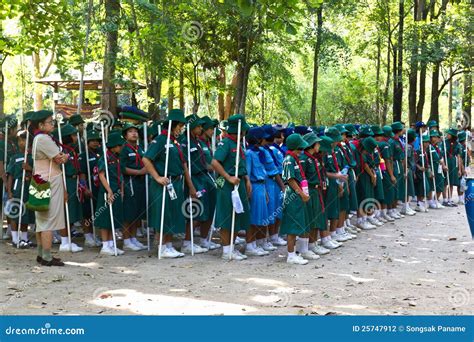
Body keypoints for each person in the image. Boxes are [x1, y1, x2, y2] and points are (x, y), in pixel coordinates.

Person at [143, 109, 196, 258]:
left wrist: (190, 186)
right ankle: (161, 247)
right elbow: (146, 159)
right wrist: (157, 177)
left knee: (172, 214)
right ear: (173, 125)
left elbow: (184, 164)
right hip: (164, 183)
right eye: (180, 125)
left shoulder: (176, 142)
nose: (182, 128)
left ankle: (169, 245)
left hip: (176, 183)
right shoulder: (160, 140)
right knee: (164, 215)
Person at [29, 110, 68, 266]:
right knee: (49, 219)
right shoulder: (44, 139)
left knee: (42, 219)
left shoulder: (38, 138)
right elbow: (59, 158)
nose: (53, 124)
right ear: (40, 125)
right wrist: (67, 156)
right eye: (50, 122)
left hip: (40, 180)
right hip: (50, 180)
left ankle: (41, 254)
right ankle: (46, 257)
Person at [211, 114, 251, 261]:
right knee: (227, 217)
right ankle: (226, 250)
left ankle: (232, 248)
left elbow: (241, 165)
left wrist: (247, 180)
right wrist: (228, 177)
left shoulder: (239, 144)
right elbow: (215, 162)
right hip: (227, 184)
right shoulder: (226, 143)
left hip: (238, 182)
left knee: (237, 216)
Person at [180, 114, 212, 254]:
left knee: (205, 210)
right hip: (193, 179)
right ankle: (187, 243)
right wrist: (191, 185)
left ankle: (201, 240)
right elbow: (184, 165)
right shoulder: (184, 142)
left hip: (204, 178)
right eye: (198, 126)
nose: (200, 129)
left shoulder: (198, 141)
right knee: (194, 211)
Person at [280, 133, 310, 265]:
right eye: (300, 149)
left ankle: (294, 253)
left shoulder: (295, 159)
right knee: (292, 226)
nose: (301, 152)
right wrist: (301, 194)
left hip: (297, 196)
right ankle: (291, 255)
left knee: (297, 224)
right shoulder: (289, 159)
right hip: (293, 196)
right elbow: (290, 180)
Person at [95, 131, 125, 256]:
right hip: (107, 192)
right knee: (106, 218)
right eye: (119, 145)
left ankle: (112, 244)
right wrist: (109, 190)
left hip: (117, 190)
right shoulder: (105, 158)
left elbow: (120, 175)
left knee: (114, 217)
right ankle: (105, 245)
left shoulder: (117, 158)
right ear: (114, 146)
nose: (121, 147)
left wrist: (122, 190)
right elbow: (101, 175)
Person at [56, 123, 84, 253]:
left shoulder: (72, 150)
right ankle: (64, 242)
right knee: (64, 213)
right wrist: (63, 190)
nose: (75, 137)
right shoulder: (61, 151)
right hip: (65, 181)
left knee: (72, 213)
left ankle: (68, 240)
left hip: (74, 182)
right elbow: (59, 172)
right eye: (73, 135)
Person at [5, 130, 36, 248]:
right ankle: (15, 238)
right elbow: (10, 175)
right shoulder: (15, 158)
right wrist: (9, 191)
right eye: (19, 140)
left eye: (23, 140)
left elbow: (37, 173)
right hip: (17, 187)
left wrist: (29, 168)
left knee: (26, 213)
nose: (21, 142)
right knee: (15, 212)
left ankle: (24, 238)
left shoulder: (32, 157)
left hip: (30, 188)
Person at [120, 122, 147, 251]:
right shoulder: (124, 149)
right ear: (125, 135)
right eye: (130, 131)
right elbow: (122, 168)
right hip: (129, 183)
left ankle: (133, 238)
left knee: (137, 212)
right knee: (128, 213)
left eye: (135, 131)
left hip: (140, 183)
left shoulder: (140, 148)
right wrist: (139, 172)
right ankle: (126, 240)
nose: (134, 133)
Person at [244, 127, 270, 257]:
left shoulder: (260, 152)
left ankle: (256, 244)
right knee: (252, 217)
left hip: (262, 186)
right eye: (262, 138)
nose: (265, 140)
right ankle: (250, 245)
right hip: (254, 186)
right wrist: (248, 188)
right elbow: (247, 173)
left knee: (260, 217)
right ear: (257, 139)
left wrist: (265, 192)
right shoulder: (249, 153)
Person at [78, 129, 102, 247]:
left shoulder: (100, 154)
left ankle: (93, 235)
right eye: (92, 141)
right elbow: (82, 174)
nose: (95, 143)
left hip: (99, 186)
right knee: (87, 212)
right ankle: (87, 236)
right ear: (87, 142)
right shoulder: (83, 156)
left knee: (96, 212)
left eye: (96, 140)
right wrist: (84, 188)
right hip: (89, 186)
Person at [443, 128, 462, 206]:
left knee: (451, 182)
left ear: (453, 135)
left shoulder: (457, 144)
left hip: (453, 163)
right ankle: (444, 199)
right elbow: (441, 154)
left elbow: (459, 157)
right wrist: (443, 164)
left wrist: (459, 169)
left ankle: (450, 199)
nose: (447, 135)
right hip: (446, 161)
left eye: (449, 134)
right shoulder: (444, 142)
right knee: (445, 182)